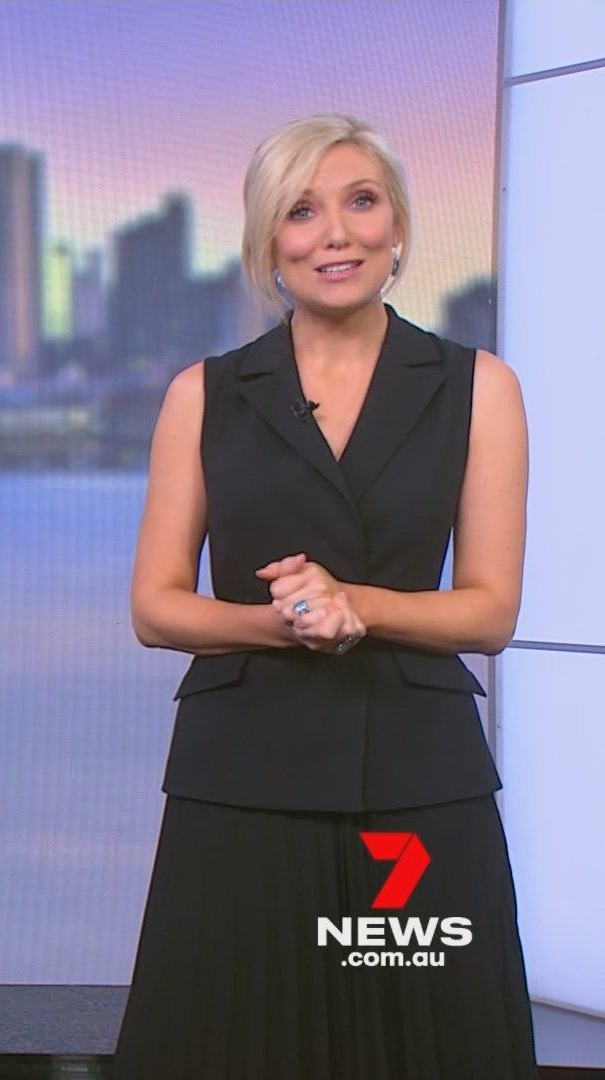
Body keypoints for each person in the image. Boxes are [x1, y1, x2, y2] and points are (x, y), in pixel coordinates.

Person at [114, 114, 535, 1078]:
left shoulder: (480, 388)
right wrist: (283, 624)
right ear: (268, 244)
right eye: (301, 211)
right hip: (241, 779)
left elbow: (490, 612)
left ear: (399, 227)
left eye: (361, 202)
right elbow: (155, 607)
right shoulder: (203, 394)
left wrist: (359, 605)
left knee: (429, 1048)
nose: (334, 234)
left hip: (418, 780)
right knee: (231, 1044)